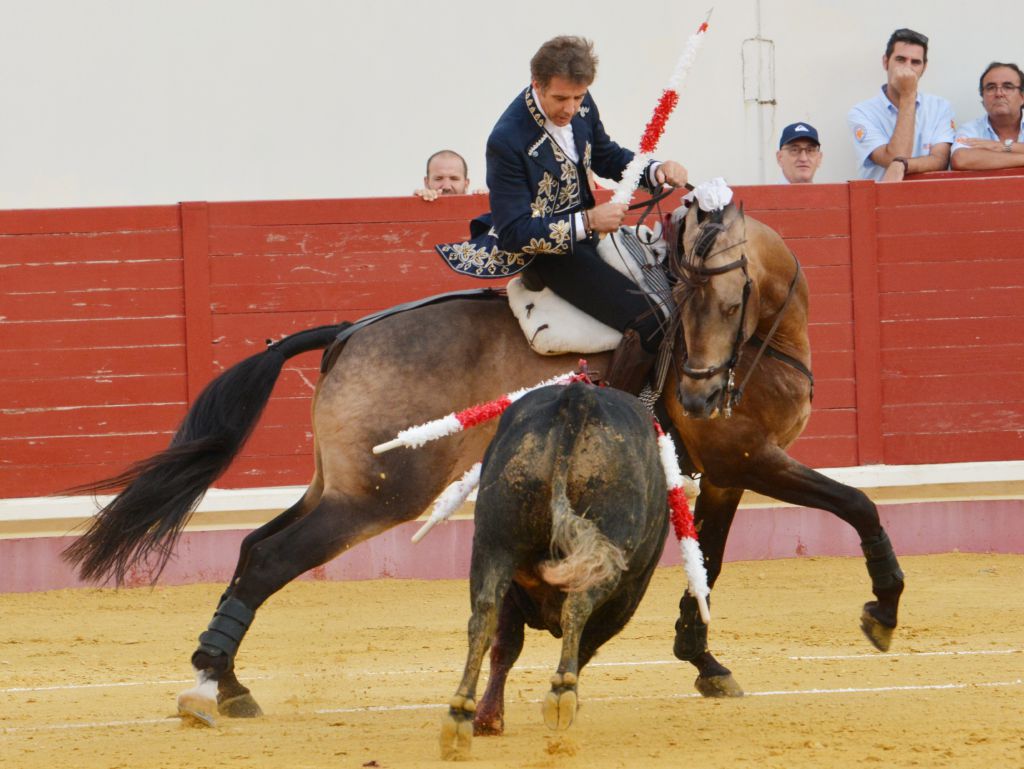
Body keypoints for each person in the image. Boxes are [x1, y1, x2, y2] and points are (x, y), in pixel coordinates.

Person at [484, 35, 688, 393]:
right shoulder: (506, 140)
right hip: (547, 256)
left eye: (578, 98)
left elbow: (606, 155)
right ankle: (623, 412)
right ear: (536, 84)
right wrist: (589, 221)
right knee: (652, 322)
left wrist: (654, 170)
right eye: (560, 98)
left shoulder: (582, 102)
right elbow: (514, 232)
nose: (571, 108)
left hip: (590, 237)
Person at [847, 28, 955, 182]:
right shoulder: (862, 113)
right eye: (900, 59)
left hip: (926, 195)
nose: (907, 68)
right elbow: (893, 157)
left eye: (915, 62)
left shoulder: (940, 107)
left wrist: (904, 164)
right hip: (881, 195)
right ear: (886, 62)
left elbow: (940, 160)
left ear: (924, 68)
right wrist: (908, 95)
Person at [950, 62, 1024, 171]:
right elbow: (960, 159)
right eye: (991, 88)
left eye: (1008, 87)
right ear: (983, 99)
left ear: (1022, 97)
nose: (999, 94)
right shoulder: (970, 129)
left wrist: (1002, 146)